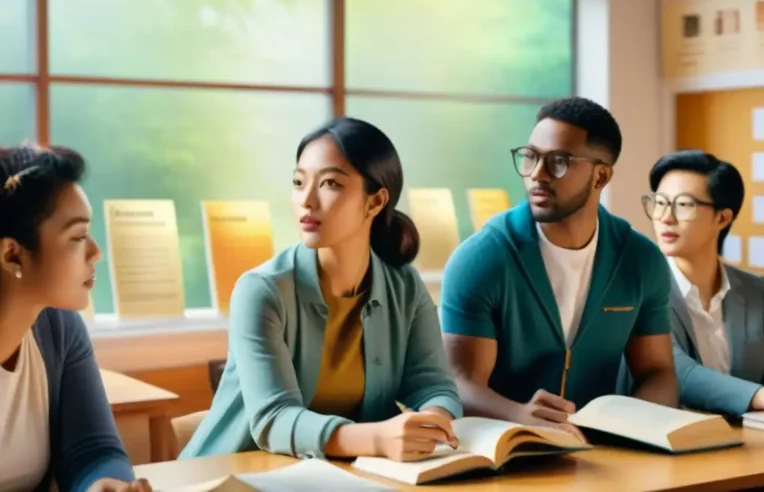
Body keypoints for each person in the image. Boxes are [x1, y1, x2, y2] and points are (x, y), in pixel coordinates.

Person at [181, 117, 462, 462]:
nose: (307, 200)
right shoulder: (260, 291)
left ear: (375, 203)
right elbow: (274, 419)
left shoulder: (404, 286)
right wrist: (377, 439)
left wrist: (432, 422)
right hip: (231, 476)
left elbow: (432, 385)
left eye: (329, 183)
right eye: (299, 183)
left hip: (342, 477)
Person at [440, 97, 678, 437]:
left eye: (559, 162)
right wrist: (520, 415)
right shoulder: (482, 259)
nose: (537, 174)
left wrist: (631, 426)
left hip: (601, 453)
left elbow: (658, 371)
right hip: (504, 449)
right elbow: (460, 382)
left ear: (601, 177)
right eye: (531, 157)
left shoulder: (640, 259)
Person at [0, 144, 150, 492]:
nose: (96, 252)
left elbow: (92, 449)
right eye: (78, 236)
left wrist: (101, 484)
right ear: (13, 255)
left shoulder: (59, 328)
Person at [643, 150, 764, 416]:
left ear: (722, 218)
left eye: (684, 205)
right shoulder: (640, 289)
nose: (666, 217)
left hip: (747, 444)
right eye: (660, 202)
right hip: (665, 443)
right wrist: (760, 396)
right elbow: (674, 370)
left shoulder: (759, 291)